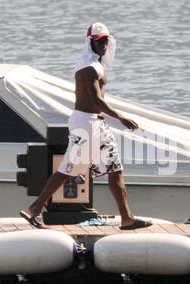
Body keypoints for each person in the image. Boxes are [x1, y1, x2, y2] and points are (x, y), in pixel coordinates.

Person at [20, 22, 153, 230]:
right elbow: (96, 100)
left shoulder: (94, 65)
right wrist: (121, 118)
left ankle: (127, 218)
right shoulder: (89, 68)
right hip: (86, 124)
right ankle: (34, 209)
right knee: (68, 168)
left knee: (115, 168)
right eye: (99, 41)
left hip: (95, 124)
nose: (104, 45)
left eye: (106, 40)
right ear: (90, 42)